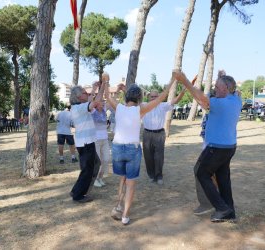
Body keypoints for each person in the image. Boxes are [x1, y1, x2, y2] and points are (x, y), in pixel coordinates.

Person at [173, 70, 242, 223]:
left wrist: (184, 80)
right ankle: (230, 211)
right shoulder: (236, 100)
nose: (214, 89)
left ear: (225, 89)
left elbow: (200, 97)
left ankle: (221, 208)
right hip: (229, 147)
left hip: (216, 147)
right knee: (223, 179)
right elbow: (232, 90)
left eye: (217, 87)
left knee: (201, 172)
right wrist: (220, 78)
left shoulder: (219, 103)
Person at [105, 78, 174, 225]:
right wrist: (173, 80)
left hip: (117, 147)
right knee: (130, 183)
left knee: (122, 179)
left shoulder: (119, 107)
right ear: (139, 98)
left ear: (126, 97)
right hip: (132, 148)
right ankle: (125, 216)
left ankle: (118, 205)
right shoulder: (140, 110)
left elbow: (107, 95)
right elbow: (161, 98)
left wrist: (106, 81)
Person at [142, 83, 189, 185]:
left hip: (159, 134)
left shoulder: (163, 106)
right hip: (147, 134)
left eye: (156, 96)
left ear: (159, 97)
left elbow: (175, 101)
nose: (153, 98)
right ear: (148, 97)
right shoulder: (143, 106)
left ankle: (159, 176)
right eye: (152, 96)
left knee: (159, 156)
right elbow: (132, 103)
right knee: (148, 156)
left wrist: (182, 92)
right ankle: (151, 175)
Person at [69, 81, 104, 203]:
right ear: (79, 96)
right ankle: (78, 195)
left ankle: (77, 190)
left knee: (95, 164)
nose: (86, 93)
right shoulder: (79, 108)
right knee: (87, 170)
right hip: (85, 143)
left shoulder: (80, 106)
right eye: (84, 92)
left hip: (87, 142)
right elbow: (96, 101)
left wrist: (96, 88)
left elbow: (91, 99)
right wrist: (103, 84)